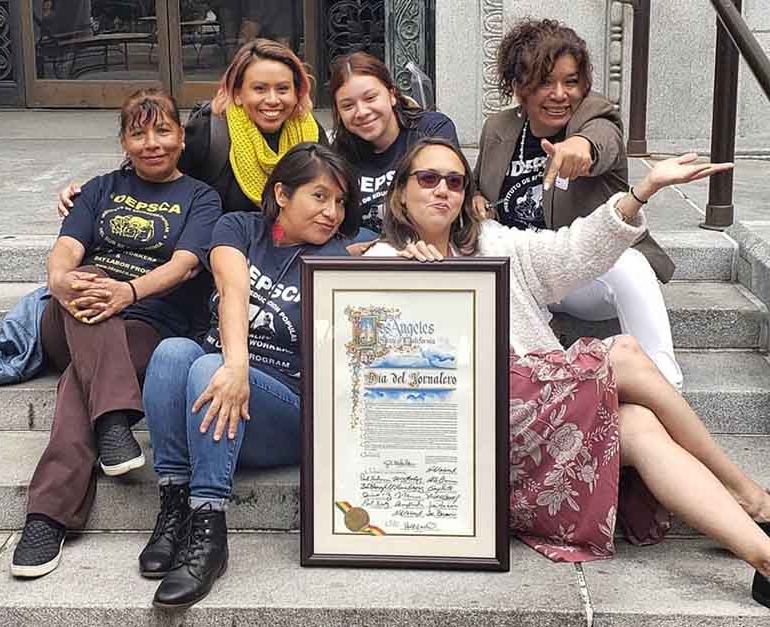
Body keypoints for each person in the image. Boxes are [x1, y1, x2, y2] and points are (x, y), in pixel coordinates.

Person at [366, 136, 770, 609]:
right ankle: (748, 494)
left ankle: (763, 558)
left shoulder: (494, 243)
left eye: (455, 182)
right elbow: (391, 385)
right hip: (475, 442)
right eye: (428, 178)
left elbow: (574, 251)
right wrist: (417, 281)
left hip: (545, 423)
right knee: (624, 352)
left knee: (638, 424)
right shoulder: (382, 263)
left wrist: (641, 193)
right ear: (401, 194)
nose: (442, 190)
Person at [10, 89, 222, 579]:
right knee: (89, 279)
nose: (152, 143)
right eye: (138, 133)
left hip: (147, 323)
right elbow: (66, 250)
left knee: (76, 384)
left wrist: (126, 292)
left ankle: (45, 517)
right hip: (72, 315)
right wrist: (60, 281)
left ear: (181, 137)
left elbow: (185, 265)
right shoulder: (100, 189)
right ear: (124, 142)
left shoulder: (200, 197)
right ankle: (112, 423)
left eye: (163, 130)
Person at [139, 143, 361, 609]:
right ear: (282, 193)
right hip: (217, 388)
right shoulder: (239, 227)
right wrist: (236, 364)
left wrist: (417, 250)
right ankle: (175, 506)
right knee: (172, 352)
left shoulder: (345, 252)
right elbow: (233, 289)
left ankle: (209, 528)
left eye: (340, 201)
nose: (332, 213)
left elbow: (404, 246)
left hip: (284, 409)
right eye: (320, 196)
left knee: (207, 364)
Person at [473, 19, 682, 389]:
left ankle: (665, 382)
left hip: (580, 276)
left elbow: (603, 138)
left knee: (630, 264)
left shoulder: (594, 114)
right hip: (523, 279)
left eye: (570, 81)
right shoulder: (499, 128)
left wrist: (581, 147)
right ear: (518, 86)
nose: (559, 94)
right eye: (544, 82)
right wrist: (475, 198)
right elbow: (478, 183)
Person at [58, 38, 325, 216]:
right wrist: (89, 196)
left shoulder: (310, 133)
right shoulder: (212, 131)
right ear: (237, 94)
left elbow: (333, 189)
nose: (272, 100)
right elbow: (153, 171)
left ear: (297, 92)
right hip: (223, 255)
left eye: (283, 89)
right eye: (259, 89)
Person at [329, 51, 459, 235]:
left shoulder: (432, 130)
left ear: (391, 95)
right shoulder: (338, 155)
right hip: (362, 250)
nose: (362, 112)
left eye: (370, 98)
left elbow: (443, 203)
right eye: (348, 106)